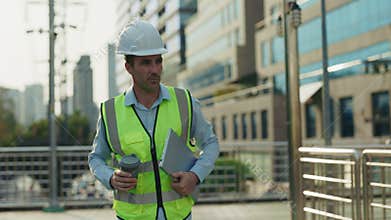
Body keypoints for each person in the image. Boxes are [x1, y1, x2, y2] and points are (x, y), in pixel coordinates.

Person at [88, 19, 219, 220]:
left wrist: (195, 175)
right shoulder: (110, 111)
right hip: (132, 217)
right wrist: (110, 177)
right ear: (128, 67)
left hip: (178, 215)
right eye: (146, 63)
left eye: (158, 61)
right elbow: (96, 158)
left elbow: (210, 143)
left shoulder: (184, 101)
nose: (155, 69)